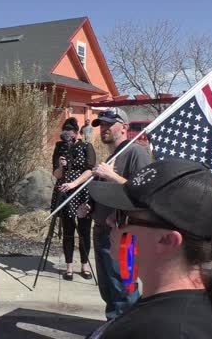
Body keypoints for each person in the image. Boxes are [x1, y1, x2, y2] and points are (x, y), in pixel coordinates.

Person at [86, 159, 212, 339]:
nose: (109, 220)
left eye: (123, 217)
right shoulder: (199, 303)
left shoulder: (162, 330)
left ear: (166, 240)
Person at [78, 107, 152, 319]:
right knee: (109, 290)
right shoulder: (113, 156)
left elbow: (144, 193)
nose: (104, 129)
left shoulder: (136, 153)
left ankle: (125, 331)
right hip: (102, 232)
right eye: (101, 124)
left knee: (124, 291)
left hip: (125, 236)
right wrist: (91, 205)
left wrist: (111, 176)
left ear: (125, 127)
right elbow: (111, 194)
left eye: (109, 124)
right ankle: (115, 328)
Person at [50, 118, 96, 280]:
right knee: (68, 230)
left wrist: (74, 184)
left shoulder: (86, 147)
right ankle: (69, 266)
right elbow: (55, 174)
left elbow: (90, 171)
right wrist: (61, 166)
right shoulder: (59, 147)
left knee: (84, 229)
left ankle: (84, 265)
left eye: (71, 132)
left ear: (77, 133)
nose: (68, 135)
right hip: (64, 192)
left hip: (82, 190)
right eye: (66, 132)